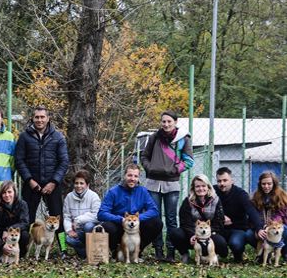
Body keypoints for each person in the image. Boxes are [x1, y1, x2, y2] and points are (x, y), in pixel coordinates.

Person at [141, 110, 194, 262]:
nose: (166, 124)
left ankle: (171, 251)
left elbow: (189, 161)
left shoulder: (183, 139)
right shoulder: (154, 137)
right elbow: (143, 156)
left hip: (172, 184)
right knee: (155, 218)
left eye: (169, 121)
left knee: (171, 219)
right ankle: (158, 250)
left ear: (175, 122)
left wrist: (174, 170)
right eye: (163, 121)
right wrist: (149, 168)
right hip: (153, 183)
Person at [15, 105, 69, 225]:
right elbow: (19, 160)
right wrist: (29, 180)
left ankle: (62, 244)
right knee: (26, 219)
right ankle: (25, 244)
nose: (40, 120)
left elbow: (64, 161)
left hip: (52, 186)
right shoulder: (24, 137)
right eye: (37, 117)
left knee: (58, 221)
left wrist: (54, 182)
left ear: (48, 118)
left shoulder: (58, 137)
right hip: (31, 185)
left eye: (42, 117)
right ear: (32, 118)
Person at [98, 164, 163, 257]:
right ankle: (116, 251)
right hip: (119, 225)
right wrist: (120, 219)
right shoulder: (113, 191)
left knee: (156, 222)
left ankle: (137, 250)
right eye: (130, 175)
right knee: (107, 227)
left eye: (135, 176)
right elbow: (101, 213)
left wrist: (138, 218)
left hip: (136, 227)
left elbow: (154, 210)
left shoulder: (143, 191)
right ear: (124, 175)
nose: (132, 179)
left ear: (138, 178)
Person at [169, 174, 228, 263]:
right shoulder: (187, 201)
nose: (201, 189)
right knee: (175, 233)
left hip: (209, 234)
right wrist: (194, 235)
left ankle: (212, 255)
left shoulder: (216, 200)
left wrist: (206, 235)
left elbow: (219, 222)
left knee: (221, 244)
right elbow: (185, 222)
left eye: (203, 186)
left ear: (208, 187)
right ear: (193, 188)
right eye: (198, 186)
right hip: (192, 234)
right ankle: (185, 254)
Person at [214, 167, 262, 263]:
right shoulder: (213, 191)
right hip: (219, 228)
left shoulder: (241, 194)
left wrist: (259, 228)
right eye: (219, 181)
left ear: (232, 181)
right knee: (216, 241)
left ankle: (238, 256)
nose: (222, 184)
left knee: (236, 244)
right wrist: (220, 216)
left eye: (225, 180)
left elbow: (251, 211)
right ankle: (218, 254)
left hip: (237, 227)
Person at [0, 180, 29, 262]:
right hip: (0, 236)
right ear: (0, 194)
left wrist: (8, 230)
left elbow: (25, 222)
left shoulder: (22, 204)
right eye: (4, 193)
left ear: (14, 192)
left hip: (14, 234)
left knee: (25, 235)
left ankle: (19, 254)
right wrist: (1, 245)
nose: (7, 195)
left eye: (9, 192)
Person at [63, 170, 101, 258]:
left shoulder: (93, 196)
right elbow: (67, 217)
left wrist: (78, 220)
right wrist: (69, 230)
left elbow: (97, 215)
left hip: (91, 229)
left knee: (88, 226)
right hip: (77, 231)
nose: (78, 186)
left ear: (87, 185)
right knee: (68, 239)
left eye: (81, 183)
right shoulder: (69, 197)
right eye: (76, 183)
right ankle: (86, 253)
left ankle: (89, 251)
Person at [252, 171, 287, 257]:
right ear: (260, 184)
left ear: (274, 184)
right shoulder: (256, 196)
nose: (266, 186)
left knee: (284, 230)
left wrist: (270, 225)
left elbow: (281, 214)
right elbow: (254, 215)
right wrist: (260, 227)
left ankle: (284, 252)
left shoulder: (281, 195)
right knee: (249, 234)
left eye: (269, 184)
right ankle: (263, 253)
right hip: (261, 226)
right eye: (263, 184)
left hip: (276, 225)